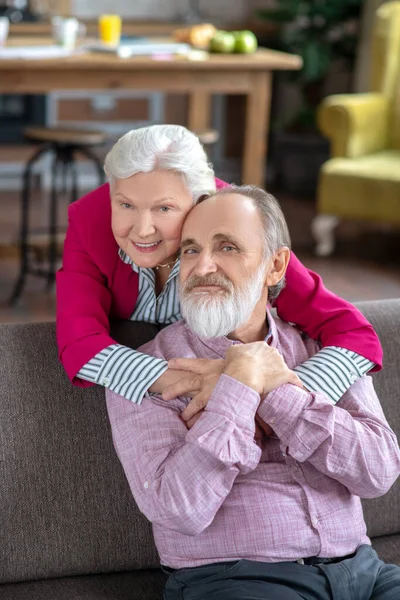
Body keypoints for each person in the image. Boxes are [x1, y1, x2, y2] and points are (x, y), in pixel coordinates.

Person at [106, 185, 400, 600]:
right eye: (190, 250)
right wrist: (240, 385)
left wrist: (276, 388)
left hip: (366, 572)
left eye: (227, 247)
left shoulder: (327, 350)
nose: (203, 265)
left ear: (275, 265)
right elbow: (177, 508)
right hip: (235, 580)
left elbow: (379, 472)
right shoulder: (147, 372)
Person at [57, 124, 381, 415]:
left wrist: (278, 393)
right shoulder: (89, 220)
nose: (142, 230)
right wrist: (204, 383)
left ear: (201, 201)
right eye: (125, 204)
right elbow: (79, 340)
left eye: (164, 208)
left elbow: (353, 333)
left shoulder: (241, 226)